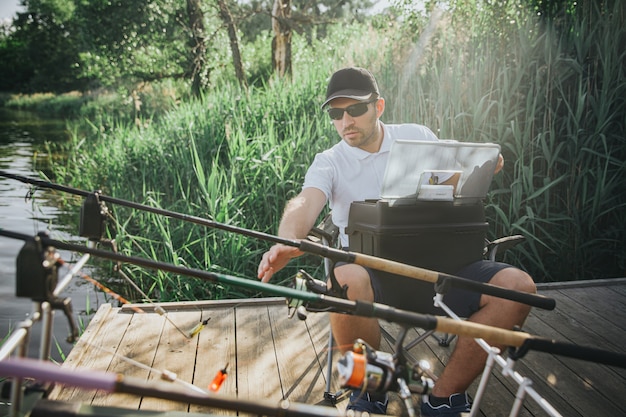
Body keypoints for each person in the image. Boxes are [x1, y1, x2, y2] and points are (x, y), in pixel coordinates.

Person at [257, 67, 536, 416]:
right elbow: (305, 202)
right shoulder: (329, 162)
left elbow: (469, 159)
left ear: (379, 107)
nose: (346, 121)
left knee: (519, 287)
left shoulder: (417, 135)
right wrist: (288, 240)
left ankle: (442, 398)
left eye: (355, 109)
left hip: (446, 270)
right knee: (343, 279)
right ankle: (371, 389)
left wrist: (488, 161)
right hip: (374, 277)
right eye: (335, 113)